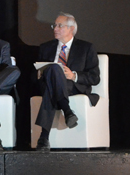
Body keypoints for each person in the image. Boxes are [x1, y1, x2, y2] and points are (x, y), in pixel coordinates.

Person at [34, 12, 100, 151]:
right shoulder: (46, 47)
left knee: (51, 83)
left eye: (60, 25)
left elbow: (94, 77)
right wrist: (40, 74)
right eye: (54, 25)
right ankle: (67, 111)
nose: (55, 29)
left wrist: (73, 75)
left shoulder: (86, 48)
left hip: (73, 86)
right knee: (53, 70)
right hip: (49, 84)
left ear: (71, 28)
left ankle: (44, 137)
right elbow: (34, 74)